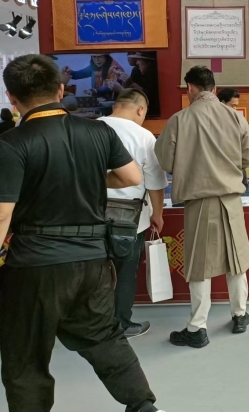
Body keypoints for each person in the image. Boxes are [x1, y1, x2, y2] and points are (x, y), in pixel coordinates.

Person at [0, 54, 162, 412]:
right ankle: (143, 406)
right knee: (105, 338)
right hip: (92, 260)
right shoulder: (98, 132)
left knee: (25, 354)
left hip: (35, 265)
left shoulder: (11, 143)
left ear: (11, 96)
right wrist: (87, 179)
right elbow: (131, 177)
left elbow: (2, 215)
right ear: (60, 90)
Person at [155, 66, 249, 349]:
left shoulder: (180, 119)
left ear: (190, 88)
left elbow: (165, 160)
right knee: (236, 259)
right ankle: (240, 314)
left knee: (200, 265)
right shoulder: (235, 117)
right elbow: (247, 156)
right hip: (231, 198)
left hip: (199, 201)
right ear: (214, 88)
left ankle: (197, 327)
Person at [101, 89, 168, 338]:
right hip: (129, 218)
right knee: (125, 272)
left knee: (93, 271)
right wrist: (158, 214)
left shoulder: (89, 129)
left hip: (90, 213)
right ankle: (121, 324)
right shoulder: (143, 136)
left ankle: (91, 324)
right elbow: (155, 183)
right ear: (141, 109)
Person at [111, 52, 161, 119]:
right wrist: (123, 82)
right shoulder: (136, 71)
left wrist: (122, 90)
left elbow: (148, 99)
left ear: (149, 62)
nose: (137, 63)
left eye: (139, 59)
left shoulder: (158, 78)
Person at [61, 53, 127, 99]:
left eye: (99, 57)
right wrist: (70, 72)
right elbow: (78, 74)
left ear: (106, 56)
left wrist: (94, 91)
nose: (96, 60)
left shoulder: (115, 69)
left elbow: (110, 87)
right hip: (98, 101)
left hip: (113, 103)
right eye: (94, 57)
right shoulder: (94, 66)